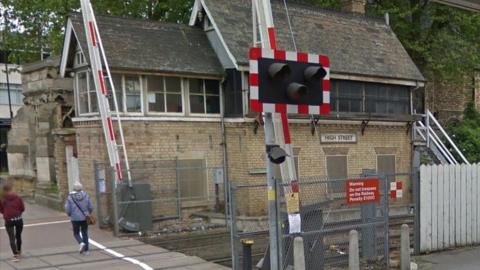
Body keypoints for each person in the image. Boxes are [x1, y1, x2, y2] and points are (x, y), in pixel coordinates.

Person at [65, 182, 93, 255]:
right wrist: (88, 213)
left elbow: (67, 208)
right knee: (85, 233)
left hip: (74, 218)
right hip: (85, 217)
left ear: (74, 188)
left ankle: (81, 243)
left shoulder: (70, 197)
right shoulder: (86, 195)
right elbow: (90, 207)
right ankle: (86, 251)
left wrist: (69, 214)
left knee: (76, 233)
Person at [0, 182, 25, 262]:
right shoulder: (18, 197)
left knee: (12, 237)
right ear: (11, 189)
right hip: (18, 219)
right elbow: (22, 208)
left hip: (9, 220)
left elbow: (1, 210)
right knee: (18, 235)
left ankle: (15, 255)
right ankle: (19, 251)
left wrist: (6, 213)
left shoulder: (2, 199)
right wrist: (18, 213)